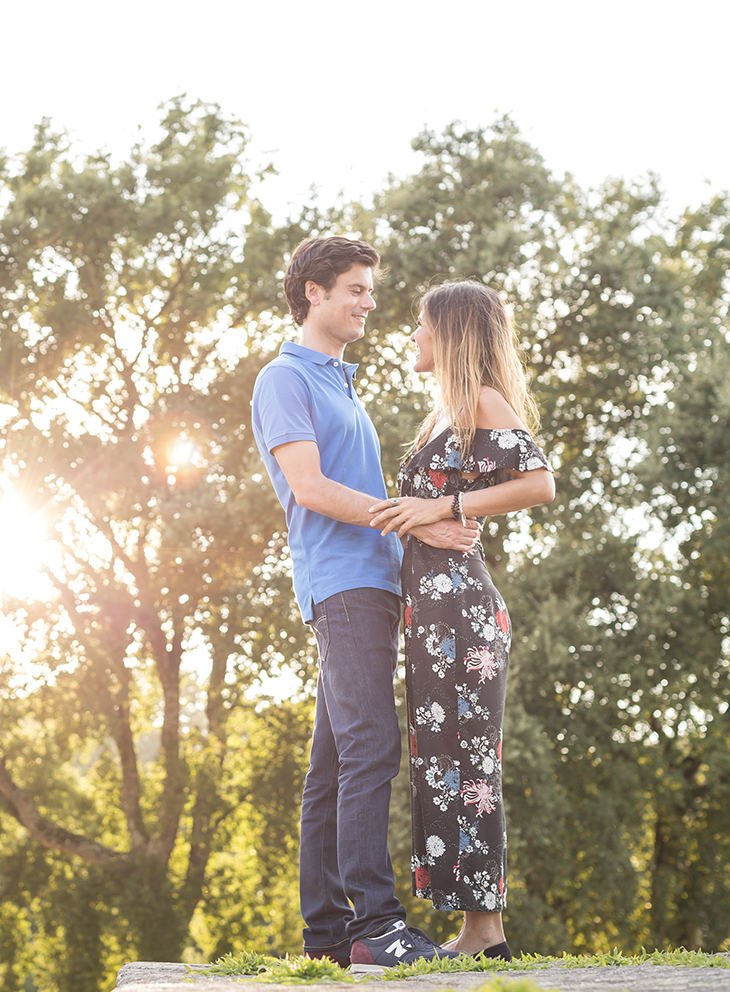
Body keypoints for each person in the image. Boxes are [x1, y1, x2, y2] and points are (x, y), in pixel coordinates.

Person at [251, 237, 479, 970]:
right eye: (354, 288)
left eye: (369, 290)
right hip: (343, 582)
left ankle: (326, 935)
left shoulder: (342, 382)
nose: (368, 302)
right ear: (312, 292)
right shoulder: (285, 379)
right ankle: (377, 926)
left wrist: (419, 526)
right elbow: (311, 489)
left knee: (331, 766)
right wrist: (413, 515)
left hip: (373, 583)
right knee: (372, 748)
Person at [365, 280, 556, 959]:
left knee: (467, 765)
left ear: (450, 333)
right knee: (445, 763)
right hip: (435, 614)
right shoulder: (445, 414)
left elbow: (539, 482)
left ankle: (483, 933)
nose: (412, 336)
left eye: (421, 325)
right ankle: (483, 931)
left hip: (462, 617)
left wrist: (449, 510)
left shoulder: (480, 399)